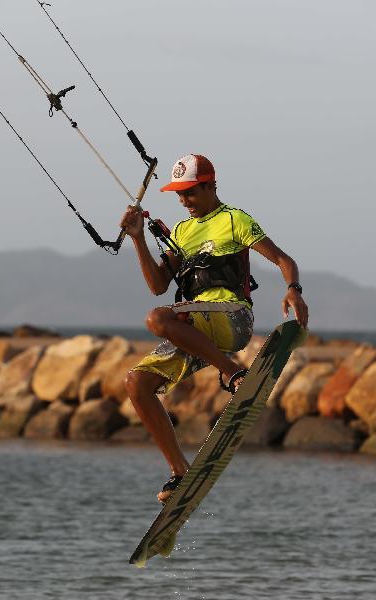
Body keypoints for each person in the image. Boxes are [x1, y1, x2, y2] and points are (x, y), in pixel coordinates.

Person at [120, 153, 309, 503]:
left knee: (157, 319)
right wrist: (137, 238)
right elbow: (158, 285)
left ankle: (234, 374)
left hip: (233, 317)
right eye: (179, 194)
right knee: (137, 383)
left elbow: (284, 260)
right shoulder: (181, 231)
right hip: (197, 328)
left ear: (210, 186)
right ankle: (180, 472)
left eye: (190, 192)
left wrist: (293, 291)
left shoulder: (234, 219)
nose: (183, 200)